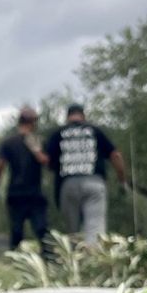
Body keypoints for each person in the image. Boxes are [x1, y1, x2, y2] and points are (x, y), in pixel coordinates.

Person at [45, 103, 128, 244]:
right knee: (95, 229)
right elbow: (116, 156)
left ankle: (75, 262)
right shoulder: (95, 131)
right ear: (83, 116)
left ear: (67, 117)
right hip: (94, 183)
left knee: (73, 233)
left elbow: (46, 160)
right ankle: (93, 260)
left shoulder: (59, 133)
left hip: (68, 184)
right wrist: (122, 181)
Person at [0, 105, 50, 250]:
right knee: (42, 230)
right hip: (35, 193)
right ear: (33, 123)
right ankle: (49, 263)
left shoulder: (8, 143)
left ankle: (16, 260)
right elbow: (47, 163)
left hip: (15, 193)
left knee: (16, 231)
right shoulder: (38, 142)